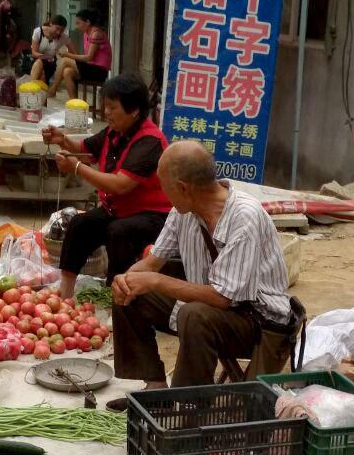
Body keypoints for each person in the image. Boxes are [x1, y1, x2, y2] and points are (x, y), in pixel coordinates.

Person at [109, 141, 298, 395]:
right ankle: (154, 386)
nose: (164, 196)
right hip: (213, 309)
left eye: (166, 189)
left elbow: (222, 297)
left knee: (194, 314)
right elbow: (153, 262)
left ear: (184, 188)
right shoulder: (182, 211)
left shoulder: (244, 217)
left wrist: (155, 281)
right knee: (130, 293)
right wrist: (126, 280)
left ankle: (188, 405)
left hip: (257, 319)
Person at [41, 73, 170, 300]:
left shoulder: (150, 141)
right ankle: (65, 293)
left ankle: (117, 297)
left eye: (112, 107)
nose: (106, 113)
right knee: (80, 224)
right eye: (105, 106)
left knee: (119, 232)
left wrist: (77, 167)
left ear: (134, 111)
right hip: (119, 209)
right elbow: (85, 150)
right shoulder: (114, 131)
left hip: (152, 216)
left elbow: (121, 185)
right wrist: (62, 140)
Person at [46, 8, 111, 99]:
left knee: (65, 60)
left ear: (87, 22)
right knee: (67, 72)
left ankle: (53, 89)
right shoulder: (86, 34)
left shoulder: (96, 34)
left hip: (99, 71)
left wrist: (67, 55)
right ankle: (75, 104)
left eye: (78, 23)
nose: (77, 26)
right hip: (91, 68)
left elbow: (89, 57)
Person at [30, 13, 72, 86]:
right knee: (40, 65)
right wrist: (47, 57)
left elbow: (74, 51)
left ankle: (32, 90)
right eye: (57, 28)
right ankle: (33, 89)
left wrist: (66, 55)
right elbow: (34, 53)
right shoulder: (38, 32)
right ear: (51, 24)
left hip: (50, 63)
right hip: (35, 59)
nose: (58, 32)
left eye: (61, 30)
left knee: (41, 70)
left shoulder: (63, 36)